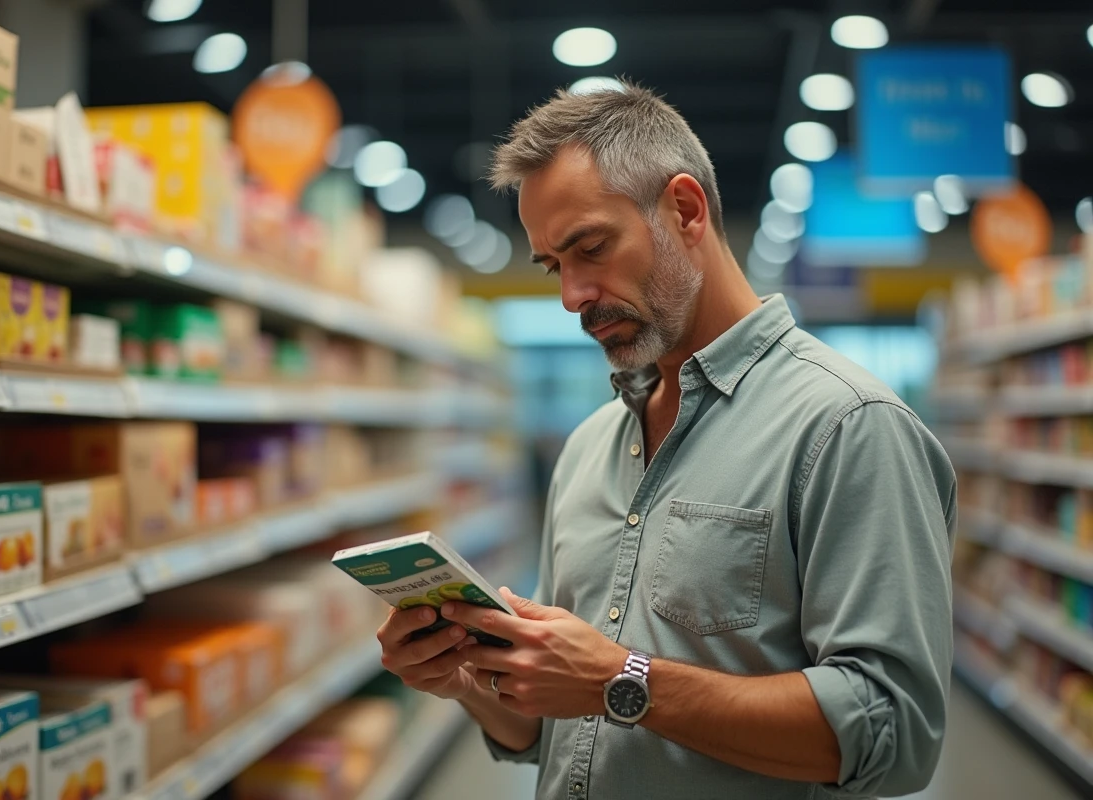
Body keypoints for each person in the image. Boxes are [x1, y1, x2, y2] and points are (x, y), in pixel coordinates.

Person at [376, 82, 956, 799]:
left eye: (590, 247)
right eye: (555, 265)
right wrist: (470, 678)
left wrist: (619, 678)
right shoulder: (589, 447)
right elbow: (548, 733)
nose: (572, 296)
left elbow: (894, 733)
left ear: (685, 210)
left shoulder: (848, 426)